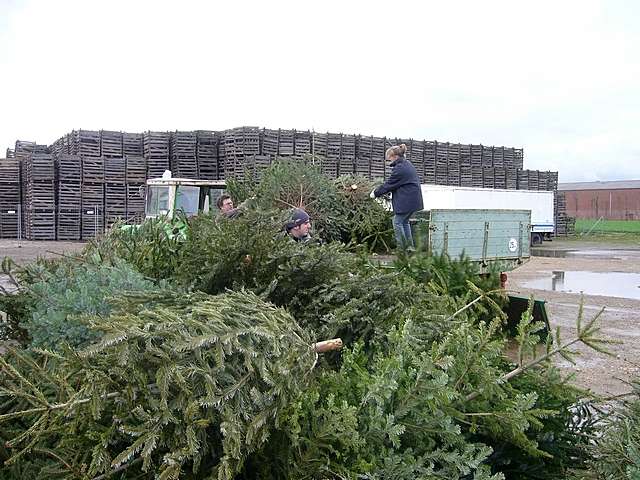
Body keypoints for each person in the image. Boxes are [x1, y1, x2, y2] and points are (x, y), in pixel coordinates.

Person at [371, 144, 423, 249]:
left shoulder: (399, 169)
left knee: (397, 222)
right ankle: (409, 248)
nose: (388, 161)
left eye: (388, 159)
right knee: (404, 222)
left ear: (394, 156)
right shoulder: (407, 164)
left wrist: (375, 193)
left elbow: (389, 184)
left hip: (407, 201)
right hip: (413, 200)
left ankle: (402, 249)